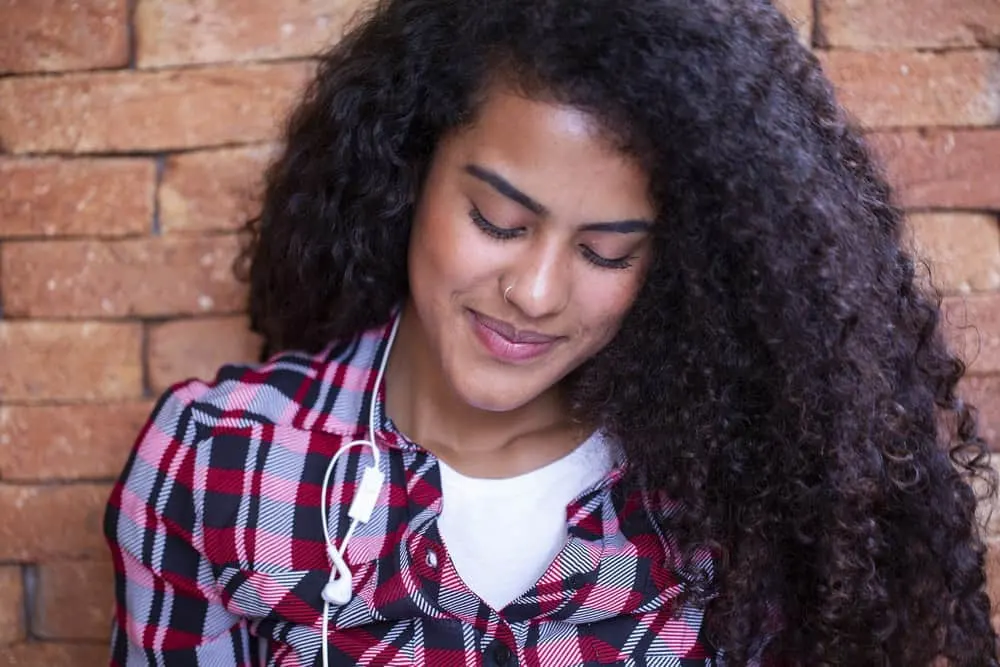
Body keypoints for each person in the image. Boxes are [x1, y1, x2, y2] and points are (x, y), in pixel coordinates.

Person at [104, 0, 999, 664]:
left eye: (607, 252)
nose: (534, 293)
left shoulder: (739, 505)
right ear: (405, 171)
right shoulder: (215, 463)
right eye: (498, 219)